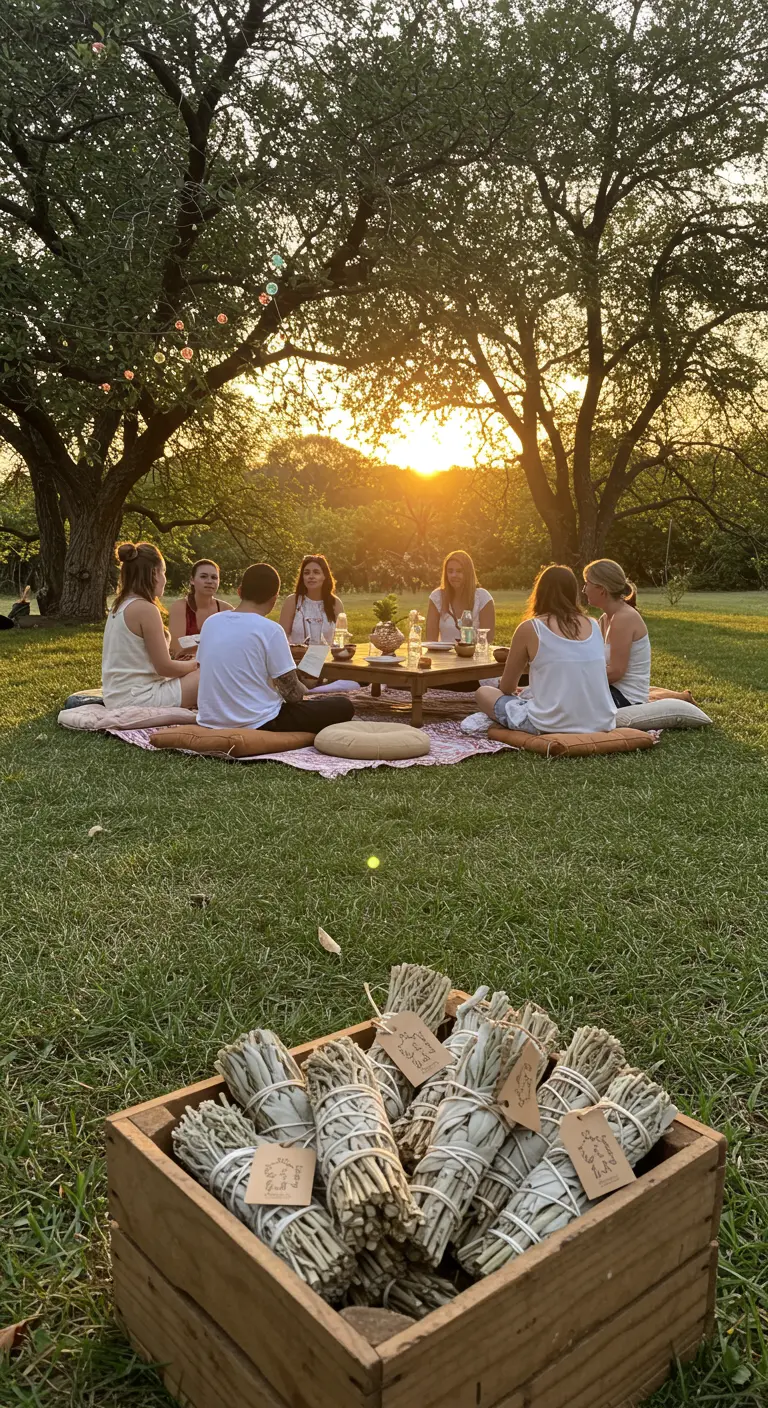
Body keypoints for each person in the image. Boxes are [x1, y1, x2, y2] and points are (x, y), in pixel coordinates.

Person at [196, 562, 355, 733]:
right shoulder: (270, 630)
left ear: (240, 591)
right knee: (343, 705)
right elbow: (293, 695)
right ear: (274, 598)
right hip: (258, 722)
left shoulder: (211, 622)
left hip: (211, 719)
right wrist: (311, 694)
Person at [470, 565, 616, 735]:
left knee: (483, 692)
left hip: (549, 723)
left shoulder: (531, 628)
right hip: (600, 721)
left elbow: (507, 687)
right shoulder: (593, 624)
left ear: (539, 593)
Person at [102, 543, 199, 708]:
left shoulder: (119, 606)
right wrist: (198, 663)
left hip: (117, 696)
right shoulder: (145, 609)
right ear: (154, 573)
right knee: (213, 672)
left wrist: (184, 663)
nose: (165, 579)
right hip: (140, 697)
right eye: (164, 572)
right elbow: (165, 668)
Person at [582, 559, 651, 707]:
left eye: (587, 584)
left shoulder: (623, 618)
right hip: (610, 690)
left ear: (601, 589)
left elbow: (616, 672)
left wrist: (577, 682)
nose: (584, 590)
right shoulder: (604, 619)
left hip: (626, 697)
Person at [168, 559, 233, 658]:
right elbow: (176, 648)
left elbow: (234, 645)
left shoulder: (226, 609)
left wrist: (192, 644)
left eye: (214, 577)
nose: (209, 581)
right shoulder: (180, 607)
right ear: (192, 580)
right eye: (203, 576)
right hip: (187, 665)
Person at [425, 551, 495, 643]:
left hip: (474, 652)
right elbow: (431, 640)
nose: (454, 575)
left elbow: (486, 640)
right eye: (450, 571)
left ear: (468, 573)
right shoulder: (437, 597)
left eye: (459, 571)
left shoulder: (483, 598)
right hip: (444, 652)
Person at [279, 554, 344, 645]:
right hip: (297, 654)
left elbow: (342, 638)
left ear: (324, 576)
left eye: (316, 572)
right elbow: (281, 637)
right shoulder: (292, 601)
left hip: (327, 653)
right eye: (306, 573)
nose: (311, 576)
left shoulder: (335, 603)